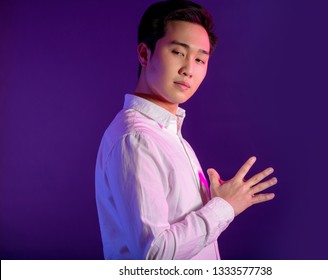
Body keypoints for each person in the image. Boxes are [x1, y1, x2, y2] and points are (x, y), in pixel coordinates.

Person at [95, 0, 277, 260]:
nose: (188, 69)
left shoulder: (168, 134)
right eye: (178, 52)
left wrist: (216, 203)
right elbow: (154, 256)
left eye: (200, 59)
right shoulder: (136, 138)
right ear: (144, 54)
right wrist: (224, 207)